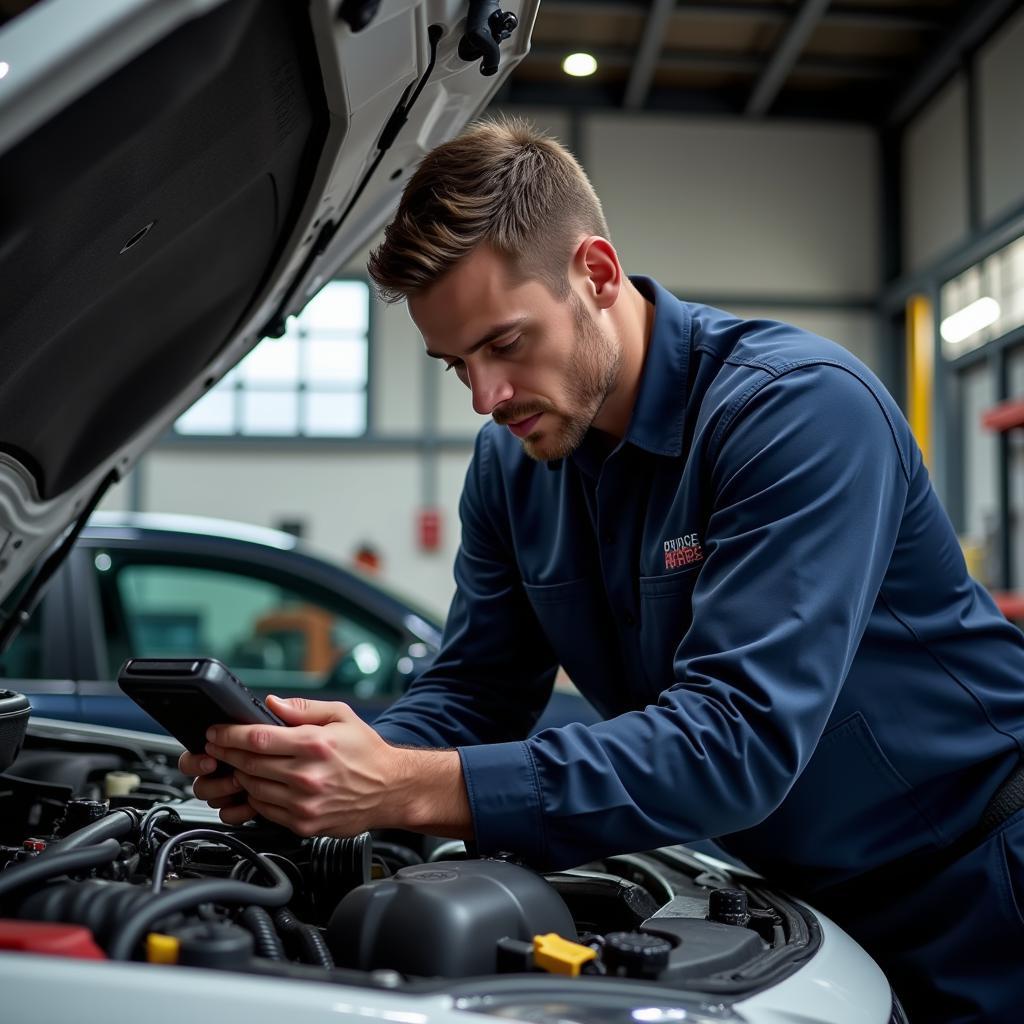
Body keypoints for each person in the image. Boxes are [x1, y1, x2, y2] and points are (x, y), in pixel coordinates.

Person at [181, 118, 1024, 1020]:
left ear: (597, 272)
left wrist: (408, 787)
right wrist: (328, 760)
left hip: (979, 885)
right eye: (455, 363)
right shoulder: (512, 469)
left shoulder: (796, 415)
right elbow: (477, 689)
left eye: (505, 343)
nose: (485, 397)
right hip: (799, 902)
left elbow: (734, 741)